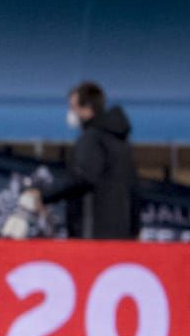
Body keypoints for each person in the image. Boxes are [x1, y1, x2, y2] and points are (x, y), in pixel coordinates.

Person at [39, 81, 136, 239]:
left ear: (86, 108)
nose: (71, 113)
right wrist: (135, 229)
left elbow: (83, 178)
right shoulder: (121, 141)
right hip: (121, 235)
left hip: (92, 232)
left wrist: (46, 196)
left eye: (73, 107)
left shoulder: (91, 138)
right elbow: (133, 186)